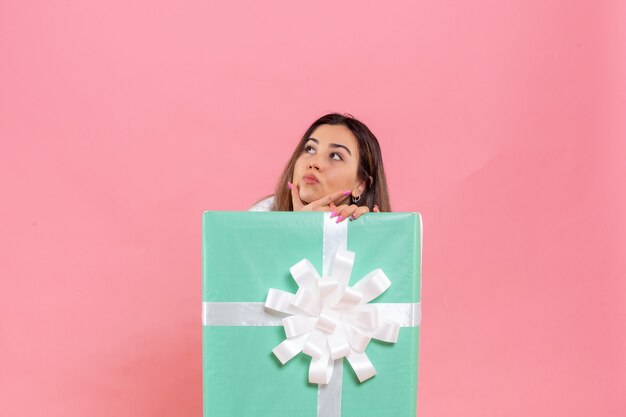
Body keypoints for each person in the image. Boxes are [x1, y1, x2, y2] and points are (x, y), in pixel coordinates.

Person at [250, 113, 391, 221]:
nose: (314, 163)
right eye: (310, 149)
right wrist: (299, 226)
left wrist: (377, 242)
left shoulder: (369, 228)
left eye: (335, 156)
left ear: (361, 185)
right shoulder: (262, 215)